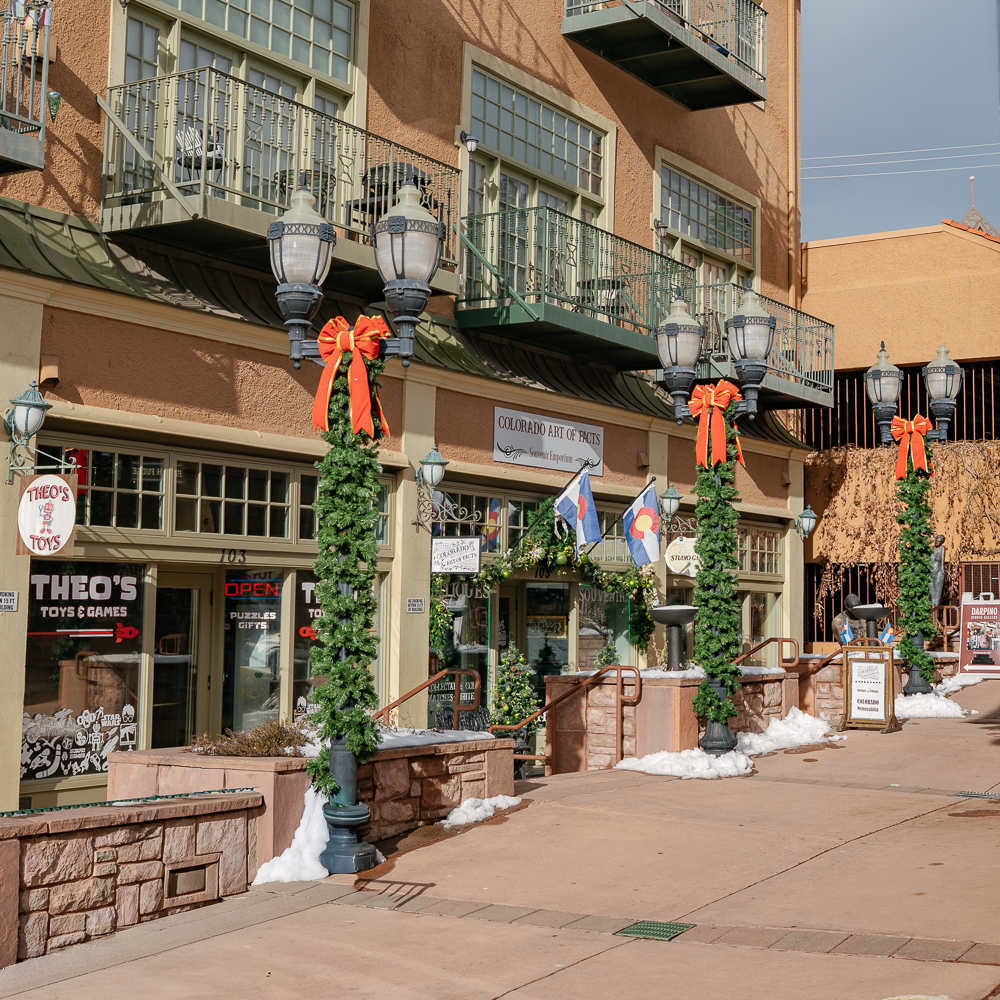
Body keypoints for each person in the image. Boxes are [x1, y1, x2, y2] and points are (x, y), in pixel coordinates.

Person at [930, 535, 946, 607]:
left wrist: (942, 572)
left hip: (938, 573)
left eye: (939, 541)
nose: (937, 542)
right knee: (931, 595)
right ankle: (932, 616)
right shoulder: (931, 548)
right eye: (936, 540)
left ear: (942, 542)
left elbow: (942, 562)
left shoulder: (942, 548)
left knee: (936, 596)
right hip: (930, 574)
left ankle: (936, 617)